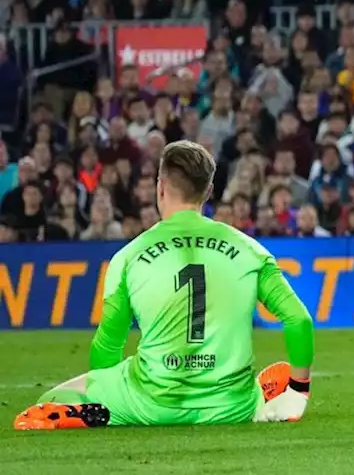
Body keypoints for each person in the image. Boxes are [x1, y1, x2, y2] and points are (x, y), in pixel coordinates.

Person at [13, 141, 314, 430]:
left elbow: (108, 346)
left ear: (160, 187)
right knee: (275, 378)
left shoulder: (129, 256)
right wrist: (299, 391)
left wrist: (104, 390)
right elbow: (298, 319)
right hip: (230, 408)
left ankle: (100, 413)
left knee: (52, 399)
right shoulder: (250, 251)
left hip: (149, 404)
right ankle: (267, 397)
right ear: (208, 191)